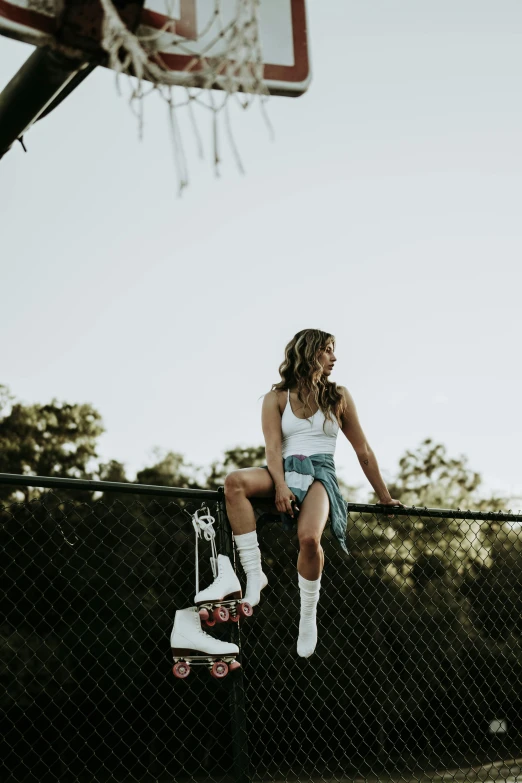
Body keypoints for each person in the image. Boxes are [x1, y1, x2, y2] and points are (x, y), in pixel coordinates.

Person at [224, 329, 401, 657]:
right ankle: (254, 573)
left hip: (320, 473)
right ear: (309, 354)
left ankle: (308, 615)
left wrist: (384, 495)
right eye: (328, 351)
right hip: (284, 470)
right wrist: (279, 484)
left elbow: (362, 449)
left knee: (309, 539)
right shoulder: (276, 398)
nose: (334, 358)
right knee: (234, 482)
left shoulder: (339, 395)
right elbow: (273, 449)